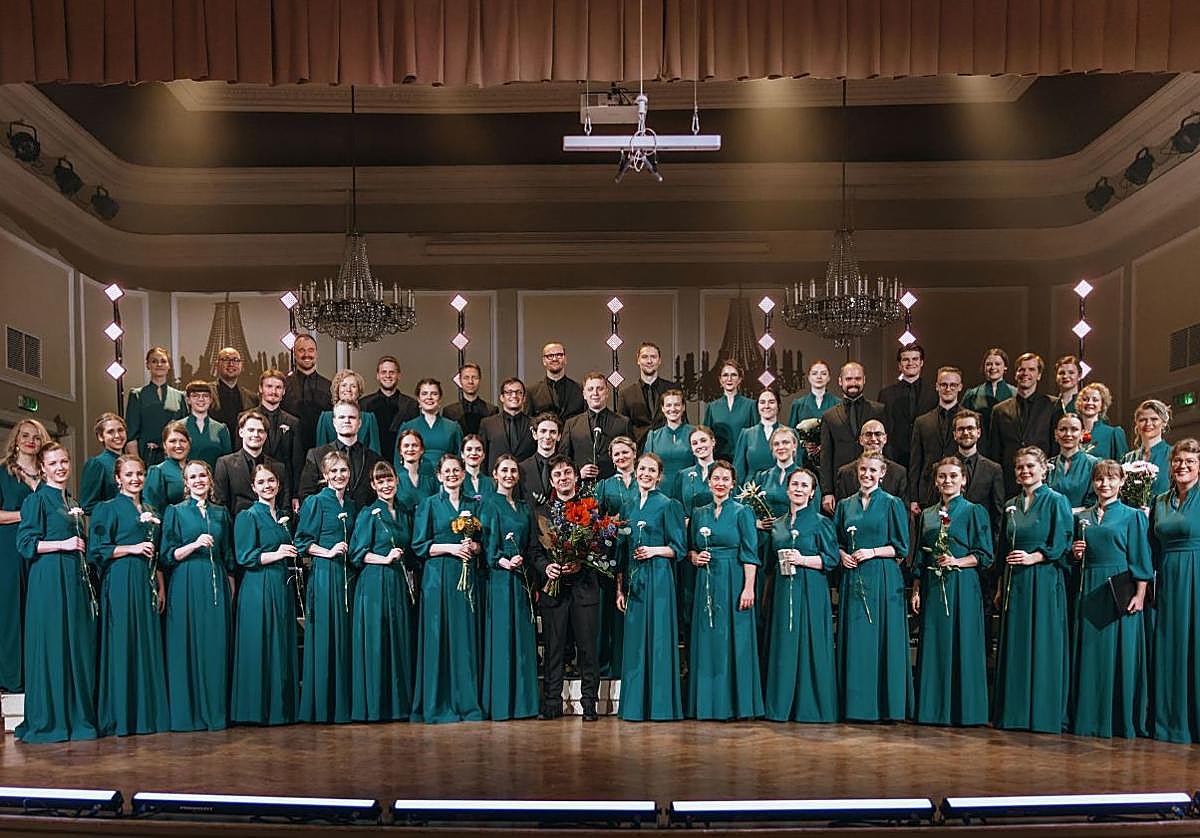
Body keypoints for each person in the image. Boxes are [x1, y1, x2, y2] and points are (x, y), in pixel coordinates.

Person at [14, 442, 99, 743]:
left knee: (74, 645)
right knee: (53, 645)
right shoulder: (36, 501)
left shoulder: (71, 501)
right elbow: (25, 544)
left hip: (73, 580)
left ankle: (77, 715)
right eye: (53, 464)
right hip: (49, 580)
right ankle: (52, 718)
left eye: (64, 461)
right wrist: (62, 545)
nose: (61, 467)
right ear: (42, 468)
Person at [992, 446, 1072, 733]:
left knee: (1042, 642)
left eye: (1030, 466)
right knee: (1016, 643)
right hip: (1016, 581)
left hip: (1043, 578)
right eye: (1020, 467)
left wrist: (1034, 557)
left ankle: (1041, 714)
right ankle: (1014, 713)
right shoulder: (1012, 504)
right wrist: (1002, 583)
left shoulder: (1055, 501)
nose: (1025, 471)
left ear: (1043, 469)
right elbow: (1004, 548)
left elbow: (1063, 539)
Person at [1069, 459, 1150, 739]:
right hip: (1090, 586)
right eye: (1100, 479)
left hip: (1120, 588)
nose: (1105, 484)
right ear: (1093, 483)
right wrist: (1077, 553)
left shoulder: (1132, 515)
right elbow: (1076, 557)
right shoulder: (1082, 517)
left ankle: (1118, 721)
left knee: (1120, 655)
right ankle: (1088, 719)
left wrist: (1140, 595)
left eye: (1111, 479)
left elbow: (1141, 558)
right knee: (1091, 654)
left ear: (1122, 482)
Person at [89, 454, 170, 736]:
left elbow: (156, 553)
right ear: (117, 478)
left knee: (146, 644)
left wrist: (160, 585)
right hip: (121, 580)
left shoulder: (150, 508)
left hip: (146, 582)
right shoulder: (107, 508)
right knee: (122, 643)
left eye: (139, 474)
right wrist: (131, 549)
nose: (135, 479)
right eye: (129, 474)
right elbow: (96, 550)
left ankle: (147, 715)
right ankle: (122, 716)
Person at [911, 458, 993, 726]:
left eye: (953, 476)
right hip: (934, 586)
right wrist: (917, 590)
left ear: (964, 480)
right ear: (936, 481)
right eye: (943, 476)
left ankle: (965, 711)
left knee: (963, 643)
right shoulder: (927, 514)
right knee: (935, 644)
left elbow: (985, 555)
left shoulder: (974, 511)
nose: (948, 481)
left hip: (963, 585)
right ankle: (932, 710)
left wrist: (957, 561)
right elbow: (920, 558)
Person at [833, 453, 912, 722]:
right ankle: (856, 707)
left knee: (882, 641)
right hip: (853, 578)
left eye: (872, 470)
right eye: (863, 470)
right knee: (857, 641)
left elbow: (901, 547)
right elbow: (837, 542)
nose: (867, 474)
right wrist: (842, 554)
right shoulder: (845, 505)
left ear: (883, 473)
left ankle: (885, 706)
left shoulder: (892, 504)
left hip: (883, 579)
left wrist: (872, 552)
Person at [160, 460, 234, 732]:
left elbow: (228, 555)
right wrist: (193, 544)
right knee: (187, 645)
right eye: (192, 477)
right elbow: (167, 555)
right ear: (186, 483)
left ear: (209, 480)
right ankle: (188, 715)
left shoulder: (220, 513)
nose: (198, 480)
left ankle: (216, 713)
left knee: (214, 646)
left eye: (202, 475)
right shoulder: (176, 512)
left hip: (215, 584)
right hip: (186, 582)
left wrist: (230, 589)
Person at [686, 460, 762, 720]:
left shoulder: (743, 512)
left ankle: (735, 705)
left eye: (725, 479)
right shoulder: (699, 512)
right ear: (709, 482)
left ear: (733, 483)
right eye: (715, 478)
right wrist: (695, 558)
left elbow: (751, 553)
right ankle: (706, 705)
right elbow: (690, 549)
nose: (720, 483)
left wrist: (748, 588)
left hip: (734, 580)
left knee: (734, 641)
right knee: (708, 641)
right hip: (705, 581)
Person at [411, 453, 484, 723]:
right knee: (438, 637)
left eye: (457, 470)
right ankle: (436, 703)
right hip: (437, 577)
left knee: (463, 639)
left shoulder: (473, 504)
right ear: (439, 476)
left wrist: (474, 547)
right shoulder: (429, 504)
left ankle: (466, 702)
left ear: (464, 474)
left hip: (465, 578)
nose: (452, 474)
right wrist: (452, 548)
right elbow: (419, 545)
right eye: (447, 471)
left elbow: (482, 543)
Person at [616, 453, 687, 721]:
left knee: (658, 640)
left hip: (658, 578)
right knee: (635, 643)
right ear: (636, 472)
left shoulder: (669, 504)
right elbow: (622, 552)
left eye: (651, 470)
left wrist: (653, 550)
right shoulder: (629, 505)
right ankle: (634, 707)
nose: (645, 473)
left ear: (659, 475)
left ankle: (660, 707)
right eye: (642, 469)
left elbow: (678, 549)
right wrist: (619, 588)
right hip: (635, 581)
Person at [764, 468, 838, 723]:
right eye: (794, 484)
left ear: (812, 492)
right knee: (784, 643)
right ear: (787, 490)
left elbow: (831, 559)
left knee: (811, 642)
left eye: (804, 485)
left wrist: (803, 559)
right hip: (784, 590)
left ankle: (812, 707)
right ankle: (781, 706)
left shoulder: (821, 522)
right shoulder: (778, 524)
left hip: (811, 589)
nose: (798, 489)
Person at [230, 464, 299, 726]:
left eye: (271, 481)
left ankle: (282, 708)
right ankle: (256, 710)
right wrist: (278, 554)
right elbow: (245, 556)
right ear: (253, 487)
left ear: (278, 485)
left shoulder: (281, 516)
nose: (267, 485)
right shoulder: (248, 516)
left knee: (280, 643)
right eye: (261, 482)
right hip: (258, 586)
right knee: (260, 643)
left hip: (281, 584)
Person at [534, 456, 602, 721]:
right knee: (554, 649)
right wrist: (546, 568)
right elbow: (534, 552)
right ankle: (551, 704)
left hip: (584, 588)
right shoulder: (542, 513)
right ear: (551, 482)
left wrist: (581, 562)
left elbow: (601, 547)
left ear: (576, 477)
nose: (563, 478)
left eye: (567, 473)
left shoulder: (591, 508)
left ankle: (589, 705)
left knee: (587, 650)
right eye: (557, 475)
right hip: (555, 591)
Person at [350, 461, 416, 722]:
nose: (386, 485)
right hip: (375, 583)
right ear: (373, 485)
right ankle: (376, 706)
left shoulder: (403, 512)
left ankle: (398, 705)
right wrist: (384, 558)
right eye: (380, 481)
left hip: (397, 583)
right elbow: (358, 554)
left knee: (397, 641)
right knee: (378, 642)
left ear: (396, 481)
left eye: (389, 479)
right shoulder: (369, 514)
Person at [294, 450, 357, 724]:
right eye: (334, 472)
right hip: (324, 574)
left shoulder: (352, 506)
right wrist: (329, 552)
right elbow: (302, 542)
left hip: (348, 577)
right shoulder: (316, 503)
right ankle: (322, 706)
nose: (339, 476)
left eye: (343, 471)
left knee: (344, 637)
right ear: (325, 475)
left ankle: (344, 704)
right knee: (325, 636)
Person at [479, 454, 540, 720]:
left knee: (523, 639)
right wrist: (503, 562)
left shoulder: (525, 507)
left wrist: (523, 562)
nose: (509, 475)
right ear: (495, 474)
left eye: (513, 471)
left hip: (522, 578)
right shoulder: (490, 504)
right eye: (504, 470)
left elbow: (529, 543)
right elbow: (488, 544)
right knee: (504, 639)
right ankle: (503, 704)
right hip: (502, 578)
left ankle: (524, 704)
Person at [1150, 439, 1200, 743]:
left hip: (1196, 572)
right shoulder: (1160, 500)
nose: (1182, 466)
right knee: (1170, 645)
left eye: (1190, 462)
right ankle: (1171, 722)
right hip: (1167, 575)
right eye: (1178, 461)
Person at [0, 419, 49, 692]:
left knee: (39, 610)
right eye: (25, 435)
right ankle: (11, 680)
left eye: (36, 437)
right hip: (9, 548)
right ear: (16, 439)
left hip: (42, 550)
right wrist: (26, 516)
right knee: (10, 612)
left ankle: (37, 676)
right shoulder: (2, 472)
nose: (31, 440)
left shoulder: (48, 474)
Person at [593, 436, 638, 676]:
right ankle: (606, 665)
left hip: (637, 553)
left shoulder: (645, 481)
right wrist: (610, 525)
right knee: (609, 611)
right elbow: (595, 522)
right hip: (610, 555)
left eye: (625, 452)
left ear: (634, 453)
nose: (621, 457)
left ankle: (629, 662)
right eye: (616, 454)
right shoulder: (604, 485)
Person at [986, 352, 1056, 498]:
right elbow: (995, 451)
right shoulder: (999, 410)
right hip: (1009, 481)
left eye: (1031, 369)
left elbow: (1055, 446)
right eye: (1022, 369)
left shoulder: (1052, 405)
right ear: (1016, 374)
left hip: (1042, 481)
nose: (1026, 373)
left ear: (1039, 375)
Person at [819, 362, 886, 515]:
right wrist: (827, 492)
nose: (853, 383)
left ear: (864, 380)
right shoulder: (829, 416)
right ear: (840, 381)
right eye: (849, 379)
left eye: (857, 379)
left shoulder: (879, 410)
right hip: (842, 484)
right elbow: (826, 457)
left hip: (875, 481)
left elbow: (887, 449)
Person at [300, 401, 384, 509]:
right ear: (334, 423)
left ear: (359, 423)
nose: (347, 421)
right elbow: (306, 497)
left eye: (352, 417)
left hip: (363, 522)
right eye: (342, 417)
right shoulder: (316, 455)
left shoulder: (374, 459)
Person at [214, 410, 290, 518]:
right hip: (238, 528)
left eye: (260, 431)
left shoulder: (278, 467)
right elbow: (220, 505)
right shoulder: (225, 464)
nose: (256, 434)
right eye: (251, 430)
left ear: (265, 435)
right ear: (241, 432)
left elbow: (284, 505)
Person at [908, 366, 963, 514]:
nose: (948, 388)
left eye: (953, 385)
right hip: (927, 492)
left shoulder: (970, 420)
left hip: (960, 491)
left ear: (960, 387)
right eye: (944, 384)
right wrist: (913, 498)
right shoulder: (922, 422)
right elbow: (915, 462)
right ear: (937, 386)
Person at [561, 372, 631, 481]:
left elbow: (631, 457)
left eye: (600, 388)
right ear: (584, 394)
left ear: (607, 392)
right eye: (590, 389)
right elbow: (563, 460)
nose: (595, 393)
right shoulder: (571, 424)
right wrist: (578, 473)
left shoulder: (623, 422)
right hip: (582, 488)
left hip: (615, 487)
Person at [878, 344, 938, 470]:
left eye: (915, 359)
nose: (911, 363)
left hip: (926, 456)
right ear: (899, 365)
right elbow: (883, 427)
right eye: (906, 359)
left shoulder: (934, 393)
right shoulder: (886, 394)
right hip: (895, 456)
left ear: (921, 362)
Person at [124, 346, 187, 466]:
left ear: (169, 366)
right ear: (148, 365)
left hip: (175, 458)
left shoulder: (180, 396)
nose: (159, 364)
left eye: (163, 361)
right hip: (147, 457)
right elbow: (131, 435)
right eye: (154, 361)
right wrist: (138, 464)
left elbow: (184, 433)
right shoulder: (137, 395)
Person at [952, 410, 1006, 535]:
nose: (966, 433)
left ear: (978, 432)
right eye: (961, 429)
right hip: (951, 538)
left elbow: (998, 513)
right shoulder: (943, 468)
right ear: (954, 434)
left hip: (982, 538)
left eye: (970, 428)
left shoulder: (994, 469)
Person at [256, 368, 304, 504]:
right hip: (256, 485)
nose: (273, 391)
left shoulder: (293, 422)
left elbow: (297, 460)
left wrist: (296, 494)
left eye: (278, 387)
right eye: (269, 386)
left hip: (285, 487)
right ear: (261, 389)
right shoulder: (246, 418)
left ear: (283, 391)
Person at [397, 378, 464, 474]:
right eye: (424, 394)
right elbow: (398, 461)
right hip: (417, 478)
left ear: (440, 398)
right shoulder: (407, 427)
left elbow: (460, 459)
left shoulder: (453, 427)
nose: (429, 397)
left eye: (434, 393)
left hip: (447, 479)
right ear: (418, 399)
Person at [281, 333, 332, 456]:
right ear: (294, 354)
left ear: (316, 354)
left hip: (323, 448)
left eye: (311, 350)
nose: (306, 355)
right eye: (301, 350)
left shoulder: (330, 386)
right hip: (290, 450)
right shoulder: (283, 385)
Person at [616, 342, 675, 447]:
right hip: (639, 450)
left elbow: (683, 421)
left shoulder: (673, 389)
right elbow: (622, 429)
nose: (649, 361)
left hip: (668, 447)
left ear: (659, 360)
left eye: (653, 357)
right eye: (644, 357)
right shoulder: (625, 394)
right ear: (638, 360)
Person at [363, 356, 419, 465]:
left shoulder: (411, 405)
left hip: (402, 461)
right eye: (384, 372)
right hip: (372, 461)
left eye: (392, 372)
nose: (388, 376)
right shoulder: (364, 404)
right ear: (378, 376)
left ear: (399, 375)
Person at [834, 420, 908, 502]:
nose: (873, 438)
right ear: (861, 440)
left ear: (885, 439)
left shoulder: (899, 473)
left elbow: (903, 511)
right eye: (868, 434)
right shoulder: (845, 473)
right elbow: (841, 510)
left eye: (878, 434)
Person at [315, 369, 382, 454]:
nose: (348, 389)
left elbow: (375, 453)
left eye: (353, 386)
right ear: (337, 389)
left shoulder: (369, 419)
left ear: (358, 391)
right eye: (344, 385)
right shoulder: (325, 418)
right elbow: (320, 453)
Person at [703, 359, 758, 461]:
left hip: (744, 460)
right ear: (720, 380)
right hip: (719, 462)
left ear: (740, 379)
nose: (729, 379)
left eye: (733, 375)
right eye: (725, 375)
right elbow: (706, 437)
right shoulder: (712, 407)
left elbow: (756, 437)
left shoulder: (750, 405)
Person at [479, 377, 535, 472]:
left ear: (524, 398)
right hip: (495, 482)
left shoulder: (534, 424)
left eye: (518, 392)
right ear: (501, 397)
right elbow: (482, 458)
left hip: (526, 481)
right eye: (509, 392)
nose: (514, 395)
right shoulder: (487, 424)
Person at [643, 389, 694, 492]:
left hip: (688, 492)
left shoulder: (694, 434)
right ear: (662, 408)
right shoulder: (653, 436)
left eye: (677, 405)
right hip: (660, 494)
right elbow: (646, 469)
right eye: (668, 405)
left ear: (683, 407)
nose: (673, 409)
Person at [1047, 414, 1099, 511]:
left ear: (1082, 433)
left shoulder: (1094, 464)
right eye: (1063, 429)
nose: (1068, 434)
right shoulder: (1047, 465)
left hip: (1082, 522)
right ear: (1056, 434)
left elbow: (1096, 502)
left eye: (1074, 429)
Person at [1122, 399, 1172, 499]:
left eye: (1154, 419)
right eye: (1142, 420)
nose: (1148, 423)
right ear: (1137, 424)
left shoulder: (1173, 455)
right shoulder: (1128, 458)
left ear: (1164, 423)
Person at [733, 389, 784, 486]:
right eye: (762, 402)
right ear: (757, 406)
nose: (766, 406)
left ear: (779, 405)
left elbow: (796, 469)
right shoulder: (746, 434)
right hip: (751, 490)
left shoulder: (790, 434)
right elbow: (738, 471)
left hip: (780, 488)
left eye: (771, 402)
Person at [961, 348, 1014, 438]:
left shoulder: (1015, 393)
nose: (993, 367)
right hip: (980, 443)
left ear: (1005, 367)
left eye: (997, 364)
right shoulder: (972, 394)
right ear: (984, 367)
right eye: (989, 364)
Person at [80, 412, 126, 513]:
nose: (117, 435)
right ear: (101, 437)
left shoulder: (131, 462)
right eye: (110, 432)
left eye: (120, 430)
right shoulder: (97, 463)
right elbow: (87, 505)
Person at [526, 341, 585, 420]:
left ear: (565, 359)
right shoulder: (531, 392)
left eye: (559, 355)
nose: (555, 359)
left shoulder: (580, 389)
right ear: (544, 361)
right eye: (550, 356)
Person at [182, 380, 232, 469]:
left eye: (205, 396)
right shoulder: (178, 427)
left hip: (215, 480)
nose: (201, 399)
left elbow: (227, 461)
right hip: (185, 479)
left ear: (211, 400)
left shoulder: (221, 429)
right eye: (195, 396)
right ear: (188, 400)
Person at [144, 421, 190, 512]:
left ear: (189, 443)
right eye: (173, 441)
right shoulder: (158, 471)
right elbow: (152, 509)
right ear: (165, 445)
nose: (178, 445)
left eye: (182, 441)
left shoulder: (196, 468)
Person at [672, 425, 717, 517]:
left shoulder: (725, 473)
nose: (699, 445)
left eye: (703, 441)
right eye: (695, 443)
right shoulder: (683, 475)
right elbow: (676, 508)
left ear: (713, 442)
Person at [1076, 382, 1128, 461]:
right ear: (1079, 404)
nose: (1090, 403)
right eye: (1085, 399)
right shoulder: (1073, 434)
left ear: (1102, 406)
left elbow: (1122, 466)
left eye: (1095, 400)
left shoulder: (1113, 434)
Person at [209, 346, 257, 432]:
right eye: (226, 359)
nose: (231, 364)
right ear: (217, 364)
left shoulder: (252, 398)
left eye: (235, 360)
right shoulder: (206, 393)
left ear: (241, 365)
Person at [443, 362, 497, 437]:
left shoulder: (492, 410)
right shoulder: (449, 411)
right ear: (460, 381)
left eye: (474, 377)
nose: (470, 382)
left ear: (480, 380)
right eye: (466, 378)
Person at [519, 412, 561, 505]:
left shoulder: (568, 468)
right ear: (534, 434)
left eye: (553, 432)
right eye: (543, 431)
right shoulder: (521, 468)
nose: (548, 436)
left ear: (559, 436)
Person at [394, 429, 439, 515]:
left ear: (421, 450)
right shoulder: (394, 479)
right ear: (400, 451)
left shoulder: (431, 479)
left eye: (415, 445)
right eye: (406, 446)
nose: (410, 449)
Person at [787, 359, 836, 427]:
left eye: (823, 373)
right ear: (809, 378)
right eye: (814, 373)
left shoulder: (838, 404)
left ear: (829, 378)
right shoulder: (798, 404)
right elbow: (791, 433)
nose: (819, 377)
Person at [1050, 354, 1082, 426]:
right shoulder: (1050, 405)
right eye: (1061, 373)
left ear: (1079, 376)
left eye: (1071, 372)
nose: (1065, 376)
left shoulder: (1085, 404)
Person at [461, 434, 495, 500]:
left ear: (483, 455)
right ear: (462, 454)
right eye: (469, 449)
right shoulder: (456, 481)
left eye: (478, 450)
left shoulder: (492, 483)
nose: (474, 453)